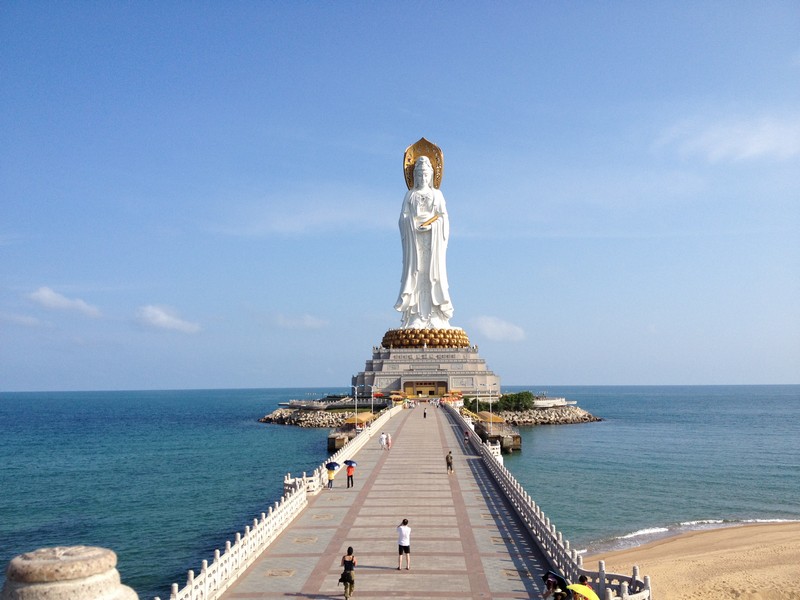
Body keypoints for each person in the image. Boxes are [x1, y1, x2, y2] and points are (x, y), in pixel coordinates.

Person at [394, 155, 454, 329]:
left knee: (432, 275)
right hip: (415, 242)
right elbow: (402, 219)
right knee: (416, 274)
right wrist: (412, 223)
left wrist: (432, 225)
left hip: (432, 242)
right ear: (414, 176)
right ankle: (415, 316)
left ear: (432, 176)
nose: (422, 178)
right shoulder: (410, 195)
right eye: (419, 175)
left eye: (426, 174)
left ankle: (435, 315)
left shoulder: (437, 195)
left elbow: (444, 218)